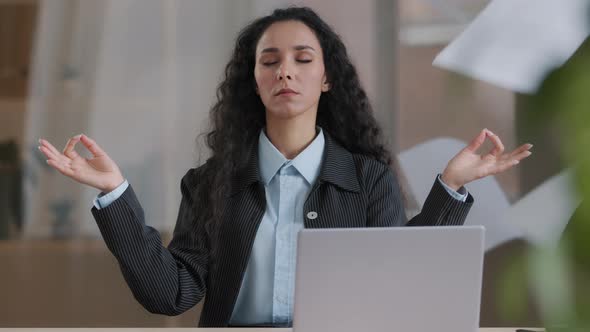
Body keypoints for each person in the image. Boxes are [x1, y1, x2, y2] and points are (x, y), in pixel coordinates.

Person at [37, 6, 532, 328]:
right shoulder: (211, 183)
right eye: (269, 61)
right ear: (254, 81)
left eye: (302, 58)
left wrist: (450, 187)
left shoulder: (367, 179)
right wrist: (115, 193)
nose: (285, 71)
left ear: (326, 78)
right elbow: (171, 294)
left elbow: (402, 280)